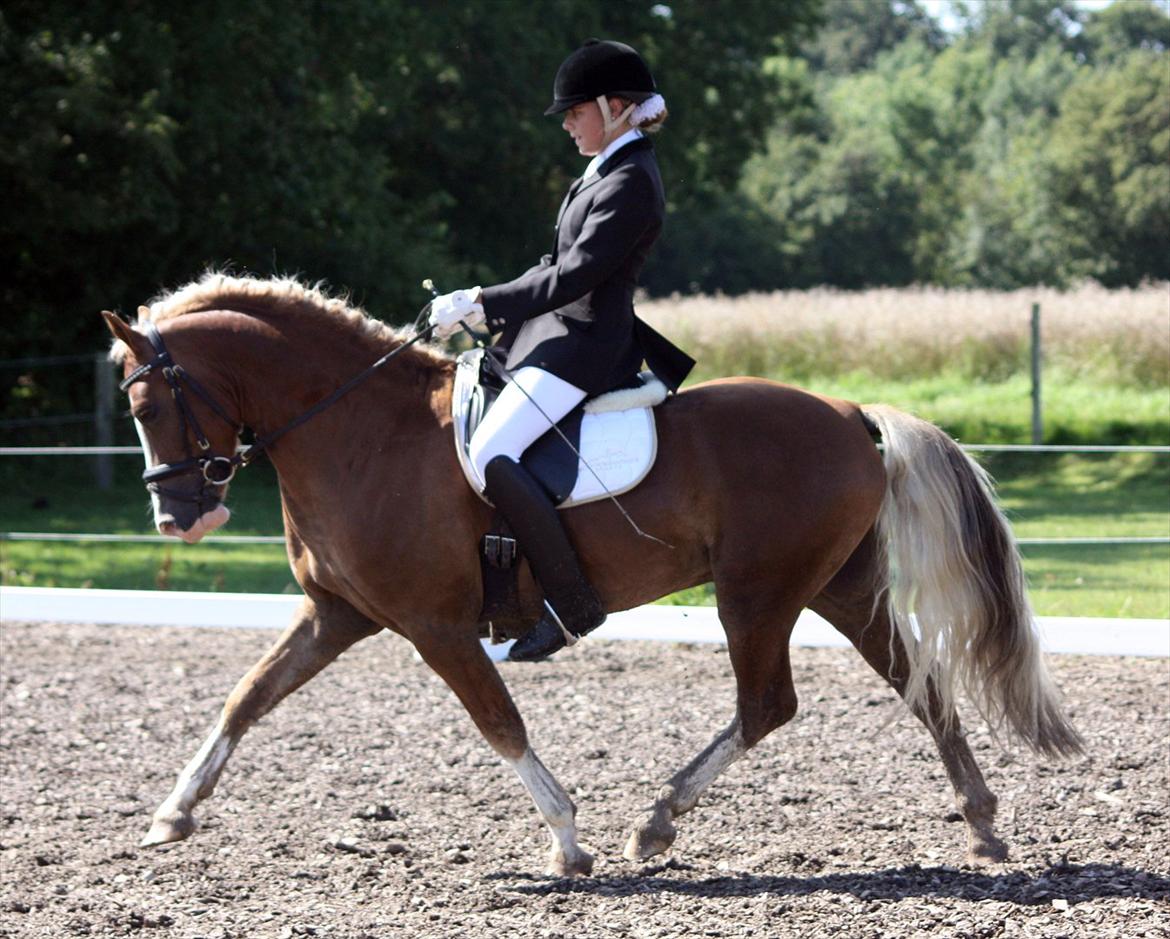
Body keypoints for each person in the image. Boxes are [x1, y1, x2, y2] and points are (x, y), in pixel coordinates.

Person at [428, 39, 694, 662]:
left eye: (576, 111)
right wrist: (483, 302)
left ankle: (572, 602)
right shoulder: (602, 169)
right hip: (552, 334)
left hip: (586, 346)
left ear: (616, 106)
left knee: (493, 449)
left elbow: (576, 276)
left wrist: (485, 300)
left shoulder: (632, 180)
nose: (569, 123)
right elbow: (553, 264)